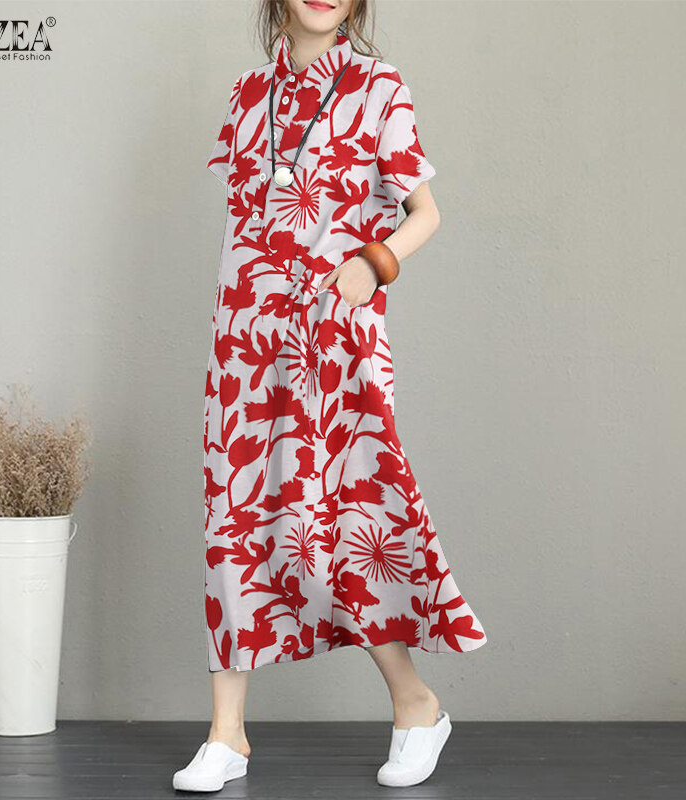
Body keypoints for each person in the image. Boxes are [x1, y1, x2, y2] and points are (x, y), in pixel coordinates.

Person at [174, 0, 488, 791]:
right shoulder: (248, 94)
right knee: (234, 522)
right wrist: (236, 325)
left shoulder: (380, 87)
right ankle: (226, 735)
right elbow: (244, 224)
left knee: (346, 522)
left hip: (338, 341)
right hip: (246, 341)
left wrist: (372, 264)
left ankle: (416, 704)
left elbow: (425, 212)